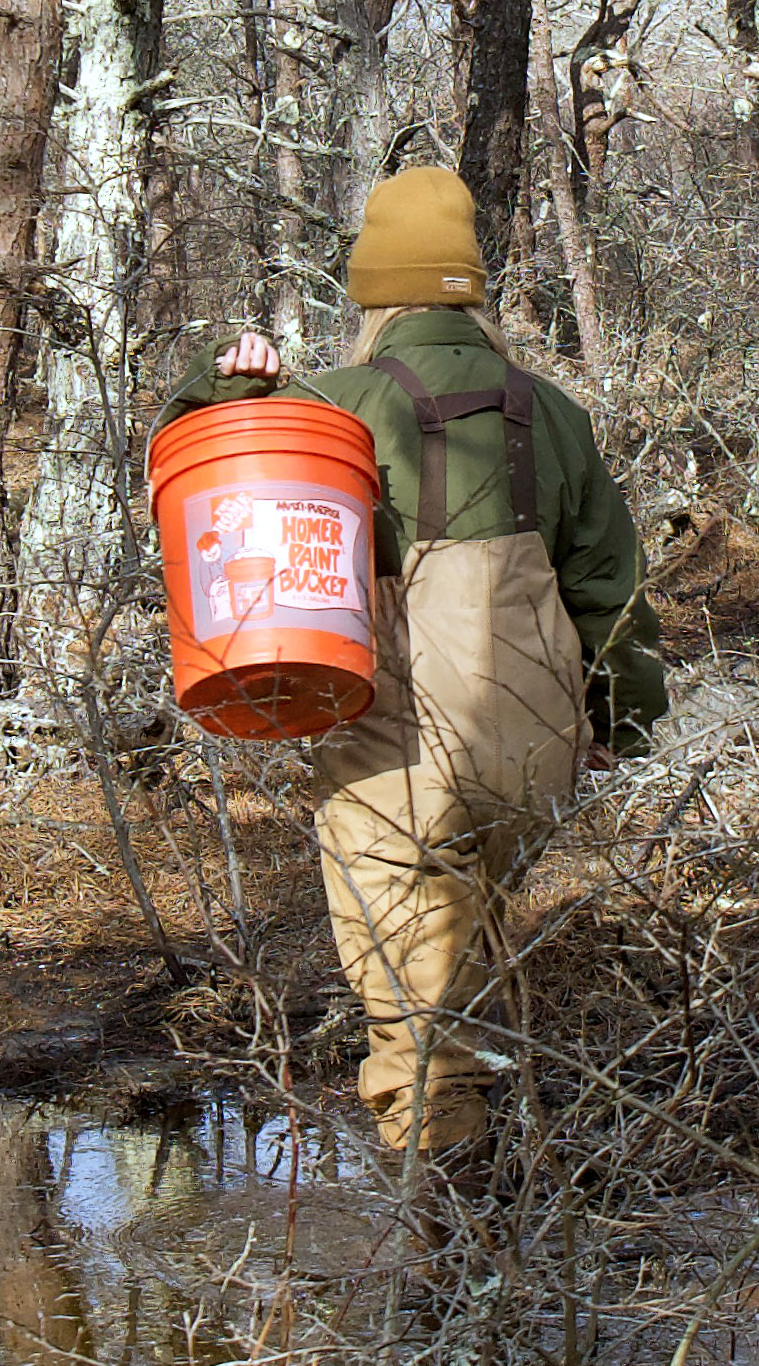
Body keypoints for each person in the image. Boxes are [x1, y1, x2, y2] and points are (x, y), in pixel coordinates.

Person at [169, 168, 665, 1159]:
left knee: (416, 1027)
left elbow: (195, 472)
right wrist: (619, 723)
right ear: (469, 288)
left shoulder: (332, 403)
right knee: (465, 963)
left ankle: (438, 1256)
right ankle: (515, 1230)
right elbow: (611, 596)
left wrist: (219, 384)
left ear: (372, 294)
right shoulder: (553, 413)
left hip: (398, 765)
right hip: (534, 753)